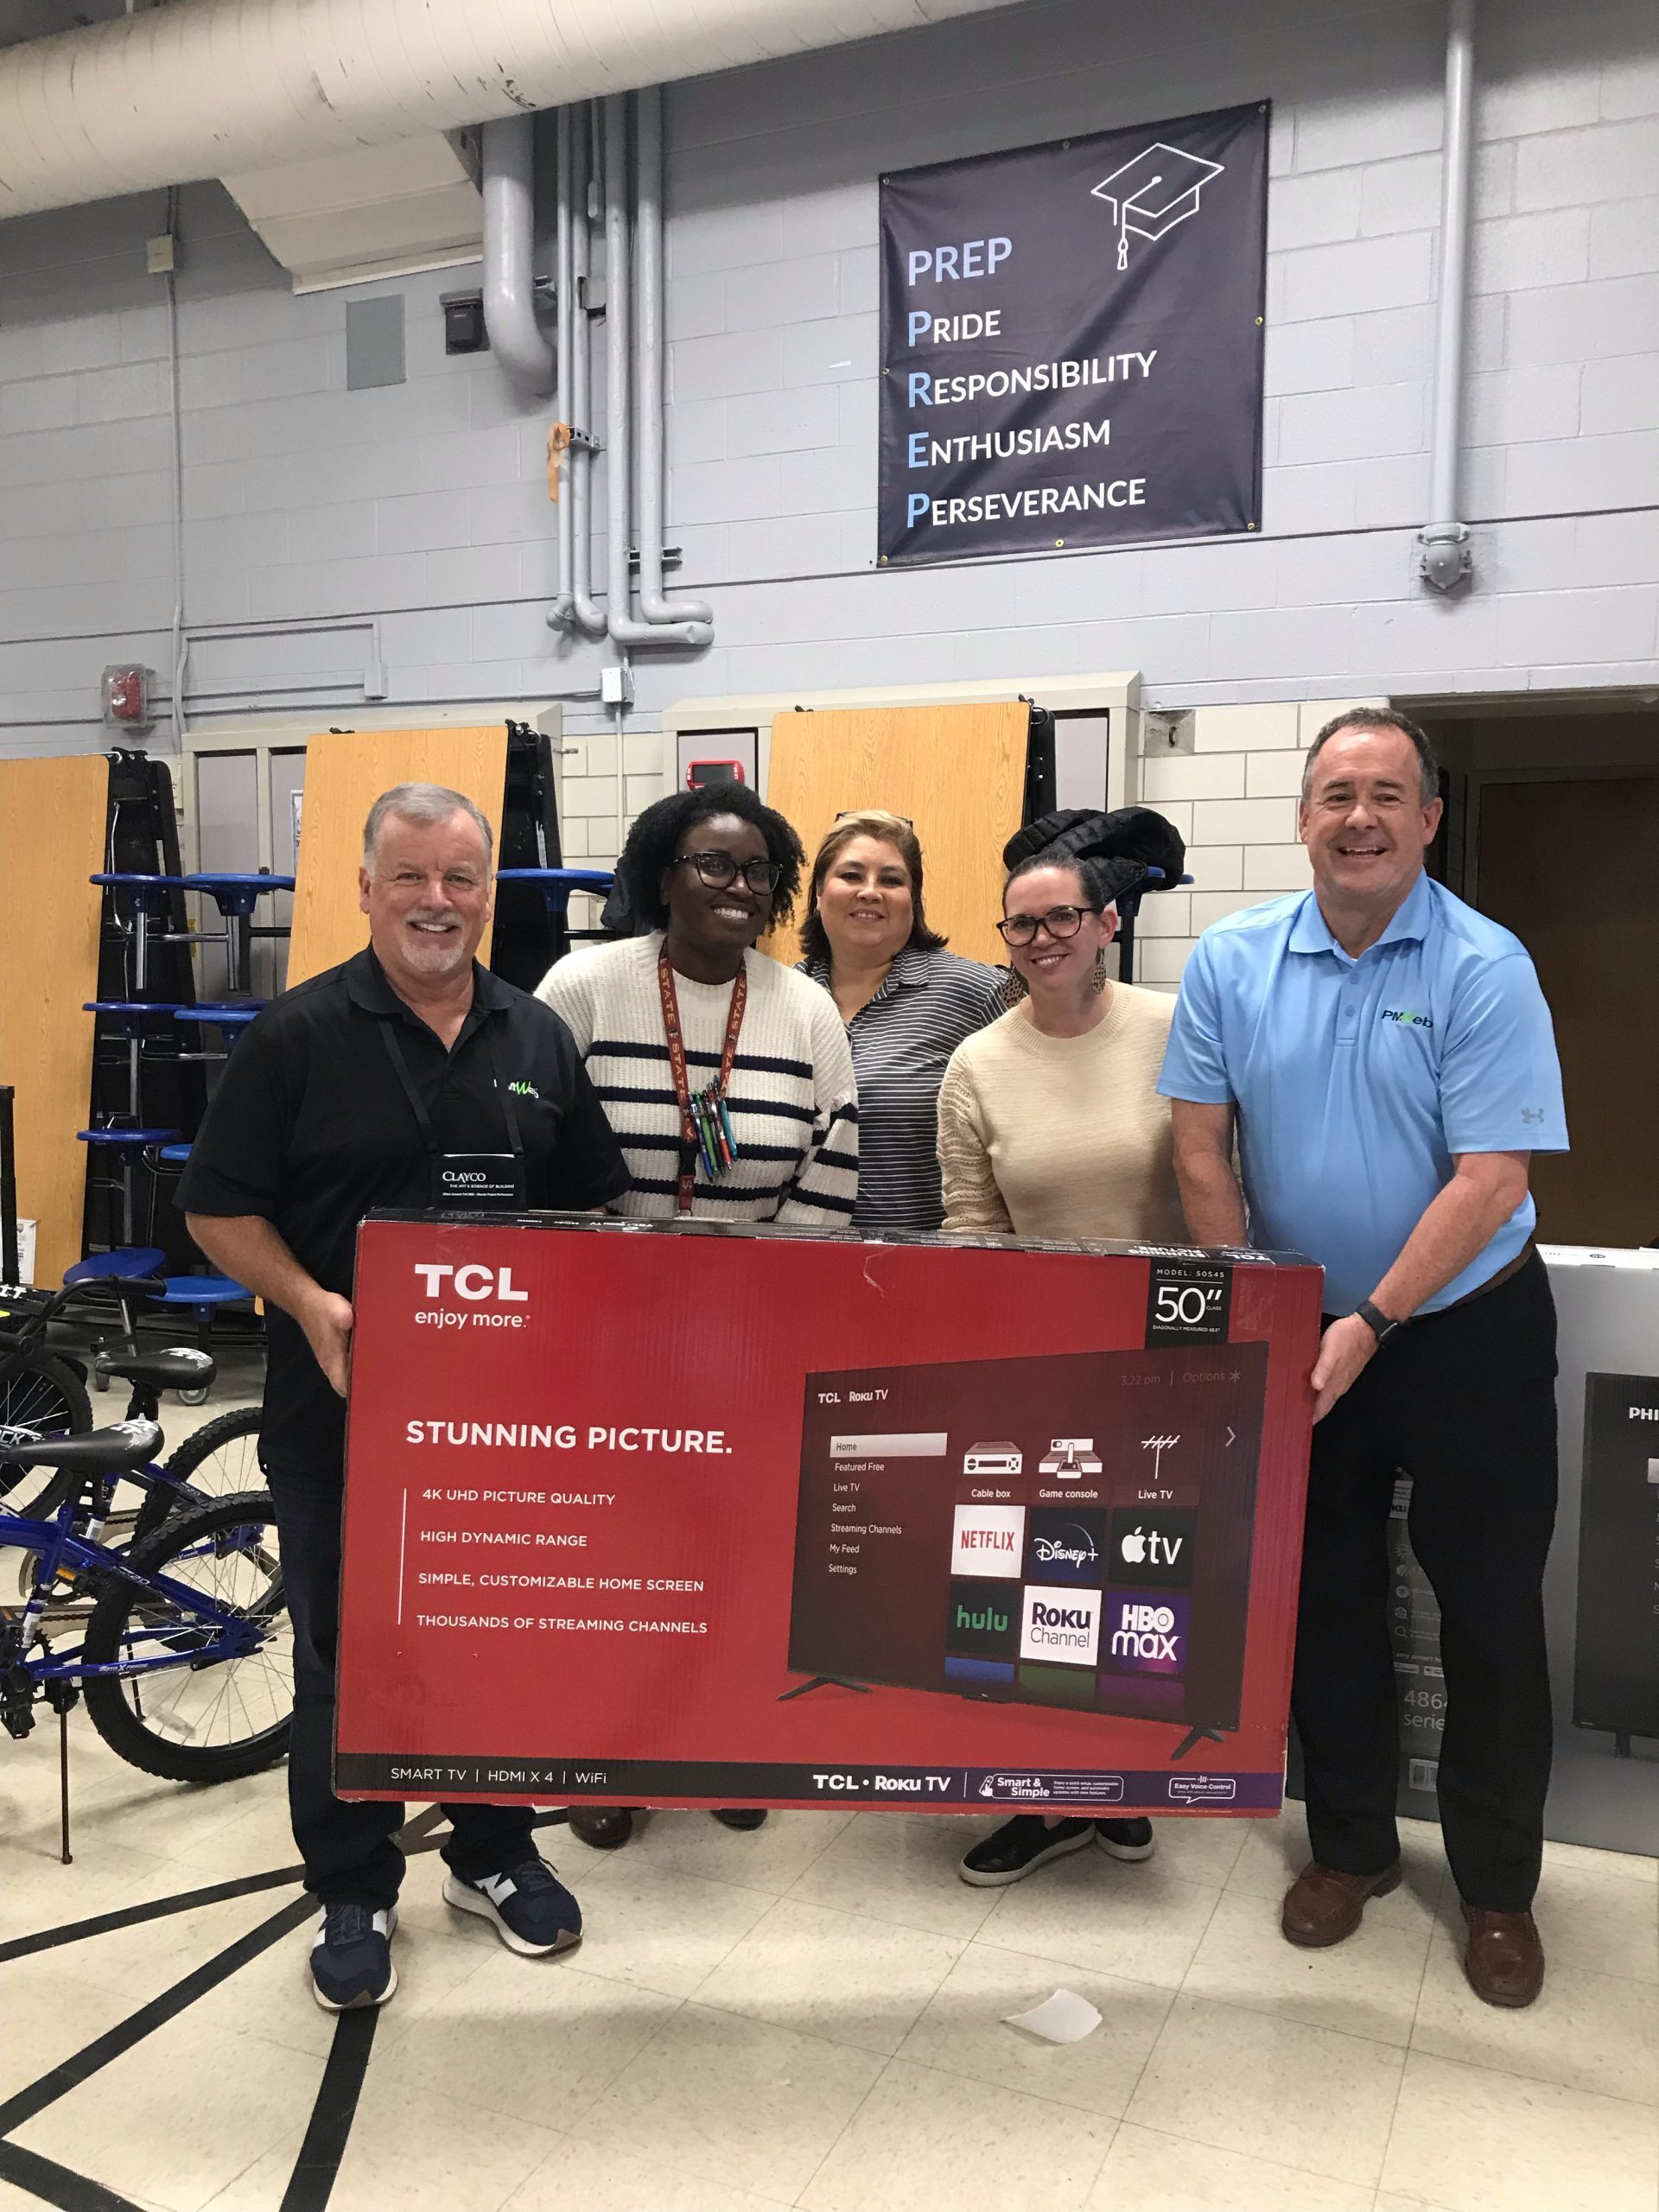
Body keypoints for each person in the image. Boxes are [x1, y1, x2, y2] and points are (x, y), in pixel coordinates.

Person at [180, 782, 630, 2012]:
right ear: (366, 888)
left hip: (505, 1426)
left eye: (462, 879)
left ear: (490, 891)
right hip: (340, 1412)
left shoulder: (534, 1035)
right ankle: (353, 1879)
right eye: (414, 877)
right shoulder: (296, 1035)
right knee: (346, 1651)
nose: (439, 902)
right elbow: (216, 1208)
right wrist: (312, 1305)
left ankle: (489, 1852)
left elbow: (592, 1205)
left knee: (495, 1636)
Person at [1159, 708, 1567, 2010]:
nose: (1361, 817)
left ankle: (1498, 1888)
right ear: (1302, 818)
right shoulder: (1230, 959)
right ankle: (1348, 1852)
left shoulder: (1484, 964)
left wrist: (1370, 1320)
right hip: (1302, 1334)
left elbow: (1491, 1175)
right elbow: (1197, 1151)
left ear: (1429, 821)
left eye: (1388, 794)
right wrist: (1260, 1309)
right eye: (1336, 793)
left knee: (1490, 1614)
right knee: (1321, 1599)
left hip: (1466, 1333)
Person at [537, 779, 857, 1849]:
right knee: (616, 1554)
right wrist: (599, 1297)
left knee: (739, 1552)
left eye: (759, 869)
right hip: (606, 1332)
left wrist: (763, 1309)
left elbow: (832, 1162)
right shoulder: (583, 987)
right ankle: (608, 1752)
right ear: (660, 876)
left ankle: (726, 1738)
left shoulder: (805, 1005)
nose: (738, 884)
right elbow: (533, 1151)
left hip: (752, 1335)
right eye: (712, 864)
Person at [937, 848, 1184, 1886]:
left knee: (1150, 1578)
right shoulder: (978, 1065)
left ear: (1108, 922)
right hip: (1042, 1365)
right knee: (1043, 1582)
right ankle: (1037, 1798)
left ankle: (1116, 1784)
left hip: (1172, 1358)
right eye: (1021, 924)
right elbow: (968, 1226)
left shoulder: (1176, 1029)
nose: (1043, 939)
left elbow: (1228, 1178)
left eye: (1062, 917)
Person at [798, 809, 1003, 1233]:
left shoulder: (976, 991)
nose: (870, 892)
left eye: (891, 880)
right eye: (851, 876)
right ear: (819, 893)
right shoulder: (781, 996)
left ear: (914, 900)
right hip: (799, 1259)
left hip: (926, 1264)